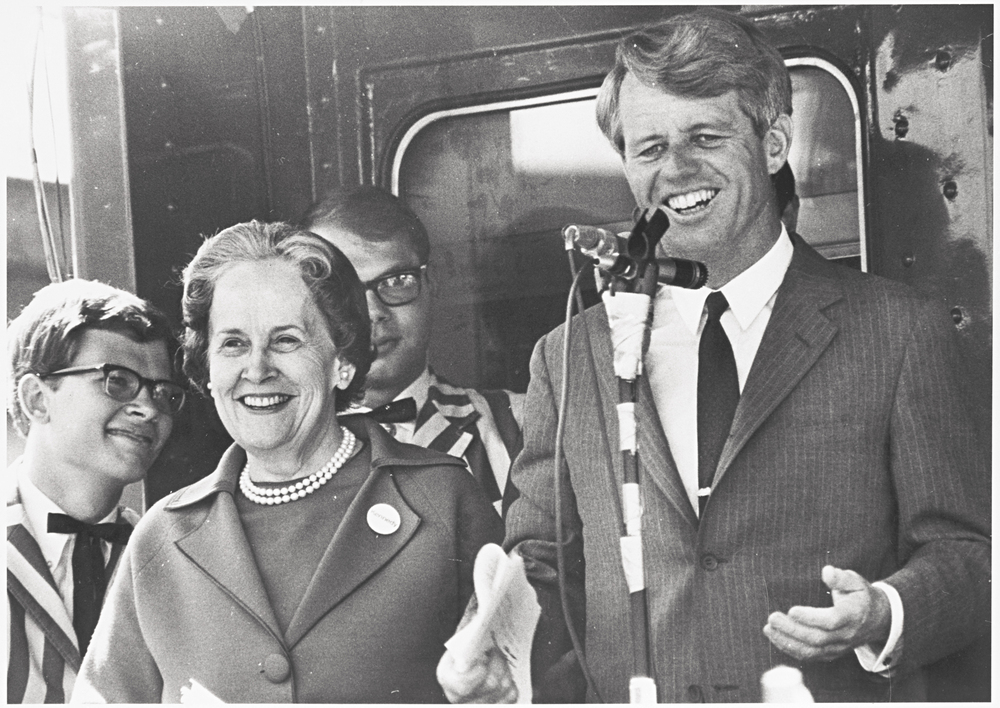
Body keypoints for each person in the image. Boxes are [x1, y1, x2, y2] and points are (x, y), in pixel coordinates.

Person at [439, 8, 989, 703]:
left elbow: (970, 558)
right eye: (650, 148)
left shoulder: (899, 332)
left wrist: (885, 610)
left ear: (774, 142)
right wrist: (496, 647)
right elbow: (541, 563)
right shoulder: (567, 357)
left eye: (705, 136)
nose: (676, 170)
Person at [71, 221, 503, 703]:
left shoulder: (443, 502)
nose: (257, 369)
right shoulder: (162, 538)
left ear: (341, 360)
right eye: (233, 343)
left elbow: (528, 676)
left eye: (286, 340)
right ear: (208, 368)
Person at [7, 279, 183, 703]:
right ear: (37, 399)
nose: (149, 408)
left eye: (163, 391)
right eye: (117, 381)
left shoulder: (168, 560)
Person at [302, 187, 523, 514]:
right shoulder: (279, 445)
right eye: (341, 290)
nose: (372, 313)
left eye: (395, 281)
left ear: (430, 284)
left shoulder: (520, 426)